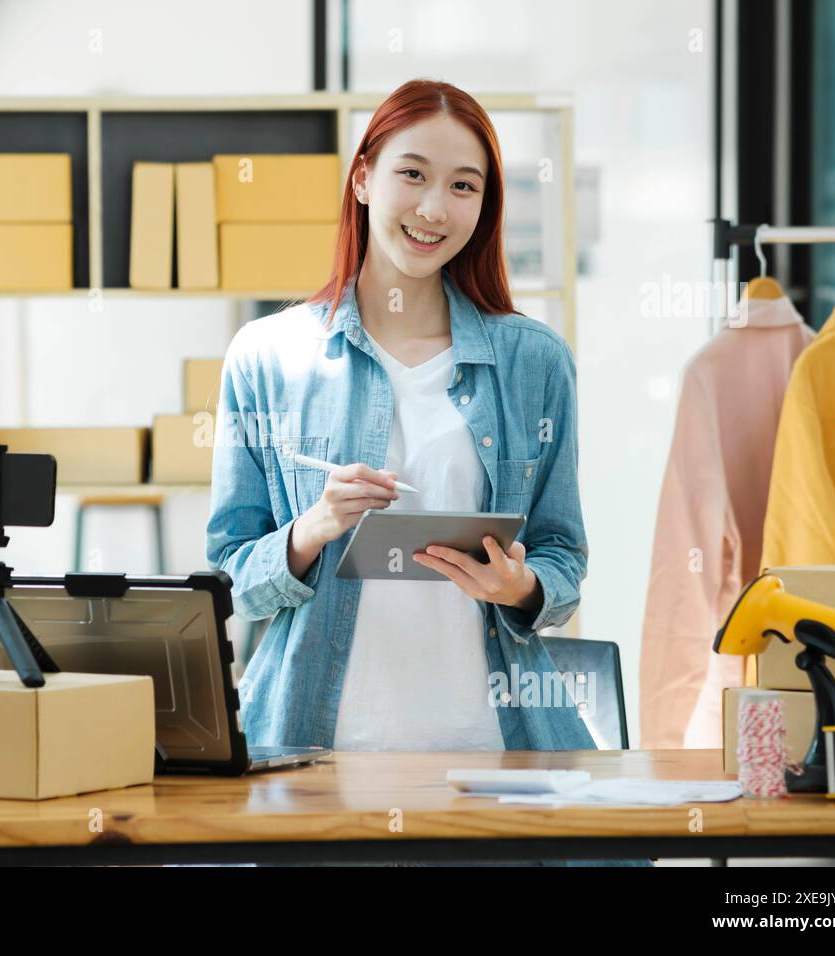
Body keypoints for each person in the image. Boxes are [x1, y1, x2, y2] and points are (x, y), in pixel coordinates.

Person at [204, 78, 648, 867]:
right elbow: (231, 581)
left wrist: (520, 588)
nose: (434, 208)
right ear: (364, 176)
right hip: (314, 753)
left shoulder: (533, 362)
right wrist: (313, 529)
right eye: (412, 173)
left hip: (492, 757)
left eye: (463, 185)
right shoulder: (267, 357)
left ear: (485, 205)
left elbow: (563, 556)